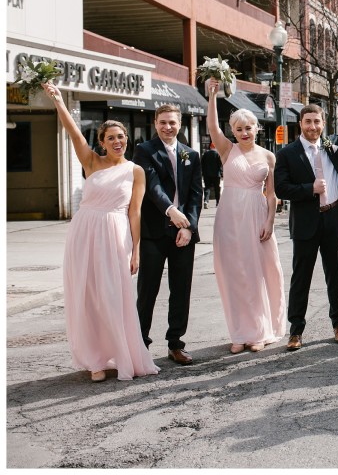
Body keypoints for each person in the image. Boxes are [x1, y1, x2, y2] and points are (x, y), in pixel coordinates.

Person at [42, 83, 158, 383]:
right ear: (102, 142)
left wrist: (136, 251)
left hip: (115, 234)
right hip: (84, 233)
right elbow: (73, 133)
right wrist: (59, 101)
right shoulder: (91, 161)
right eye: (111, 138)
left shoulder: (135, 171)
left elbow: (135, 212)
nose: (117, 141)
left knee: (113, 295)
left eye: (121, 136)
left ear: (127, 139)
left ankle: (122, 354)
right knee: (88, 296)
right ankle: (95, 360)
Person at [274, 93, 338, 351]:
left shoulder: (335, 144)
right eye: (308, 121)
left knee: (336, 274)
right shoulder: (287, 154)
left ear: (323, 122)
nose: (313, 126)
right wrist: (310, 189)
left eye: (317, 121)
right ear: (300, 124)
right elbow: (280, 188)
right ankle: (296, 331)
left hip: (333, 217)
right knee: (301, 277)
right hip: (305, 222)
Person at [205, 79, 286, 354]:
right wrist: (212, 96)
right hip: (229, 218)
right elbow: (212, 128)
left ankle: (260, 331)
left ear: (257, 127)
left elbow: (272, 195)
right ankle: (239, 333)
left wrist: (270, 222)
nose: (244, 133)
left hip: (257, 217)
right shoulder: (227, 150)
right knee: (234, 275)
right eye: (238, 129)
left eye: (248, 128)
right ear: (233, 131)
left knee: (258, 274)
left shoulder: (269, 157)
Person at [133, 103, 202, 365]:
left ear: (180, 124)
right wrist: (171, 211)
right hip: (154, 232)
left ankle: (176, 344)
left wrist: (189, 226)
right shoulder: (144, 150)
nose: (168, 127)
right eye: (163, 122)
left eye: (172, 122)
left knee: (181, 289)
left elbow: (196, 194)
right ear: (155, 123)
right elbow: (152, 187)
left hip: (183, 234)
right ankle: (140, 344)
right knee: (148, 290)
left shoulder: (190, 154)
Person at [201, 143, 222, 209]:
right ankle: (218, 202)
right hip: (216, 174)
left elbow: (202, 164)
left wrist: (203, 173)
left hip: (207, 174)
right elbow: (220, 165)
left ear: (210, 147)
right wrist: (221, 173)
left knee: (207, 188)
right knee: (217, 189)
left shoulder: (205, 154)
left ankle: (206, 201)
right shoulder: (217, 154)